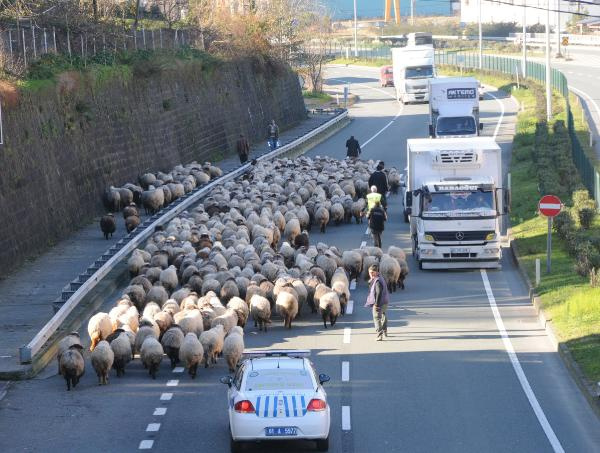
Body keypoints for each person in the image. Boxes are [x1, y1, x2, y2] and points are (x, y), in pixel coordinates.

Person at [364, 264, 390, 341]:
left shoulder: (377, 281)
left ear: (376, 272)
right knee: (383, 315)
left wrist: (377, 304)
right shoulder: (380, 278)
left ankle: (379, 334)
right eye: (370, 272)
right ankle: (385, 331)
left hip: (380, 302)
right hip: (385, 300)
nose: (371, 274)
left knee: (376, 318)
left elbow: (378, 292)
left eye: (373, 272)